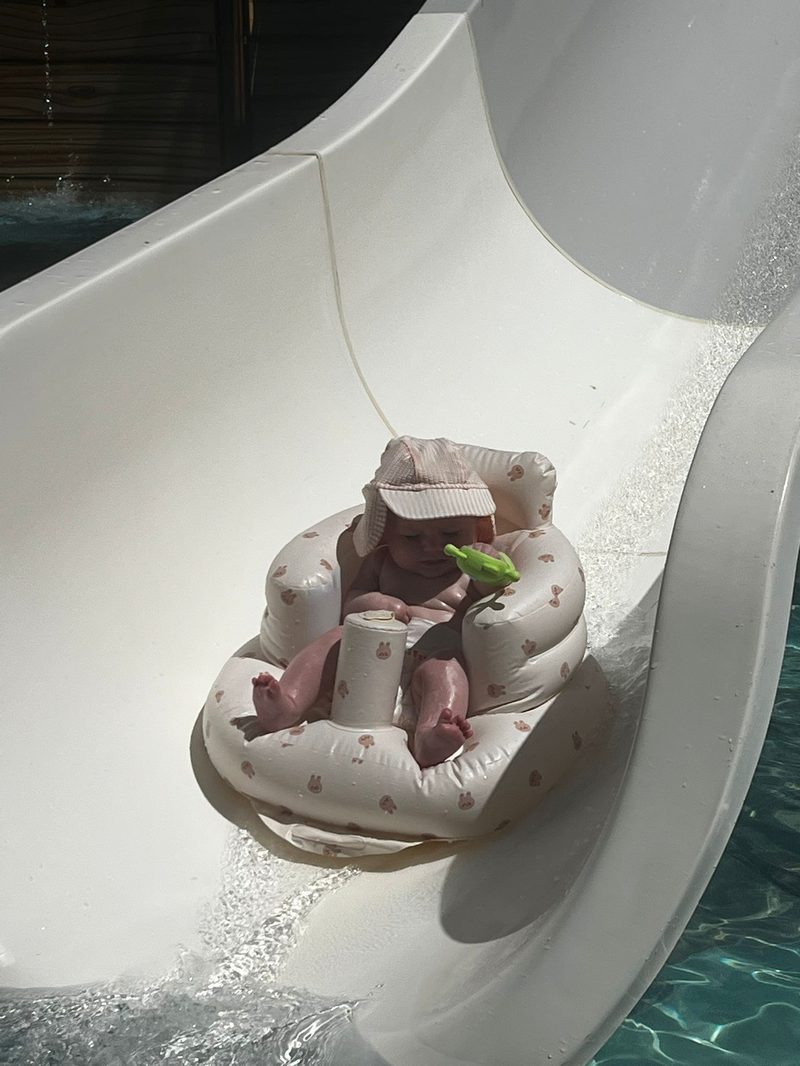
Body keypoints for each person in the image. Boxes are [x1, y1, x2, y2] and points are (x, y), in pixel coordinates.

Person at [251, 436, 513, 767]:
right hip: (368, 650)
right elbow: (352, 604)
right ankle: (288, 702)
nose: (432, 547)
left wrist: (489, 569)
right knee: (335, 639)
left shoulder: (467, 570)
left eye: (451, 534)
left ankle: (432, 734)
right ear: (386, 533)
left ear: (476, 529)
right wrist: (376, 602)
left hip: (434, 652)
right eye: (412, 537)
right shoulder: (381, 562)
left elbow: (494, 597)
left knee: (446, 671)